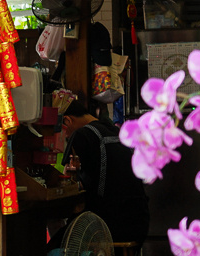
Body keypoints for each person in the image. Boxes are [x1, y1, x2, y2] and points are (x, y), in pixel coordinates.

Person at [60, 98, 150, 246]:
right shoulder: (117, 131)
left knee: (52, 253)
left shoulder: (82, 134)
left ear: (67, 121)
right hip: (139, 223)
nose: (65, 137)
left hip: (105, 227)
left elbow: (65, 179)